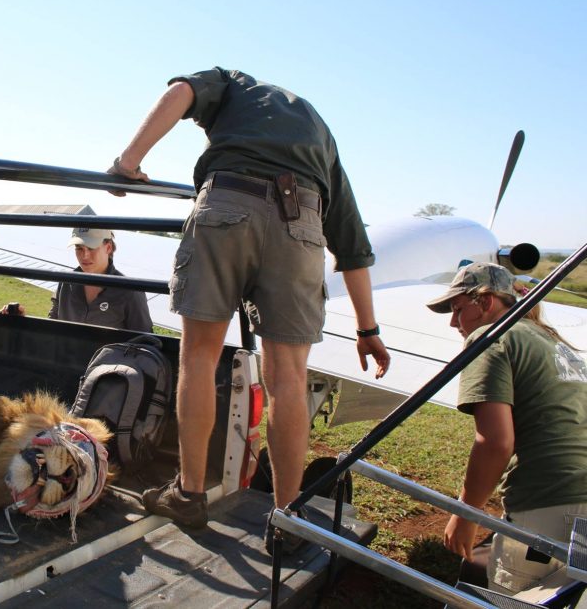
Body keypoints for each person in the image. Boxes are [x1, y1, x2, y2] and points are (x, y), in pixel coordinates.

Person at [109, 68, 390, 545]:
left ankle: (190, 493)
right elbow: (353, 246)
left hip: (227, 203)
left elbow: (180, 93)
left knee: (198, 355)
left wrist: (127, 163)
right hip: (302, 219)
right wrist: (368, 330)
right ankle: (287, 517)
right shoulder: (321, 133)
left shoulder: (230, 81)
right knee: (289, 378)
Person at [428, 262, 587, 596]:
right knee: (565, 594)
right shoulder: (550, 339)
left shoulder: (490, 338)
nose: (454, 322)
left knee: (513, 598)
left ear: (485, 302)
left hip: (549, 497)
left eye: (458, 309)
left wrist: (466, 514)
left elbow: (495, 442)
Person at [1, 227, 153, 333]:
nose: (84, 256)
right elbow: (52, 328)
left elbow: (145, 342)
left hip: (108, 375)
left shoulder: (130, 291)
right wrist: (22, 321)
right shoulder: (66, 283)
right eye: (79, 248)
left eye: (91, 248)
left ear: (108, 248)